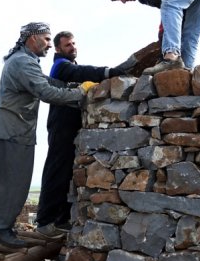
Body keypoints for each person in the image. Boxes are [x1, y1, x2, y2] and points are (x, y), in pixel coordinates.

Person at [0, 22, 98, 248]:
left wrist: (71, 86)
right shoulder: (23, 62)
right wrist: (80, 92)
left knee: (6, 179)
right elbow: (46, 92)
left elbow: (47, 82)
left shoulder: (24, 61)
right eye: (47, 39)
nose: (49, 45)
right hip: (13, 128)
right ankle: (2, 231)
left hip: (12, 127)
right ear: (32, 38)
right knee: (15, 182)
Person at [35, 31, 135, 237]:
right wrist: (110, 72)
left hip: (69, 124)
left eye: (73, 43)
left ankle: (61, 219)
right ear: (58, 49)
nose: (72, 47)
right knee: (56, 168)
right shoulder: (60, 66)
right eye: (67, 45)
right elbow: (81, 73)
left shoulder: (68, 66)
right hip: (61, 124)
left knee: (65, 171)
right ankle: (45, 220)